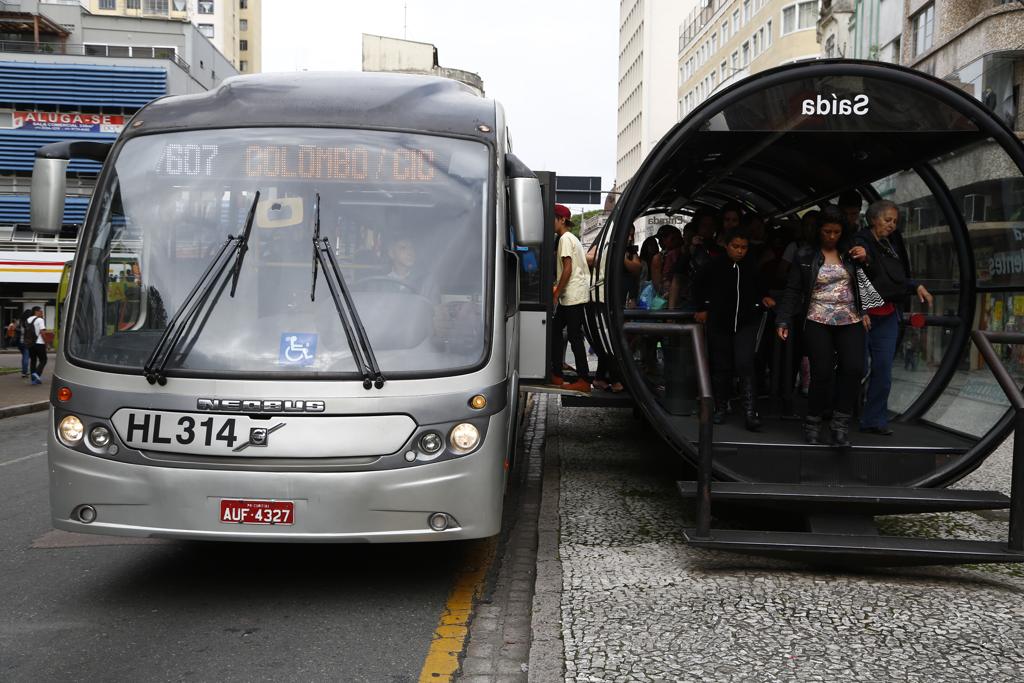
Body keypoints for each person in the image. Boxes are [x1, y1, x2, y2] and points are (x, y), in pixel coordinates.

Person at [776, 207, 868, 446]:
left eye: (836, 232)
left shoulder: (851, 252)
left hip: (851, 317)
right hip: (817, 318)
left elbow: (871, 280)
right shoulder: (805, 255)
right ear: (818, 231)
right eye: (827, 231)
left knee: (854, 368)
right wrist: (783, 318)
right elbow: (793, 289)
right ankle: (813, 422)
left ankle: (840, 425)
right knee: (822, 373)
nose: (831, 236)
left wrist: (866, 259)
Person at [855, 199, 933, 435]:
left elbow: (895, 277)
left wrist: (915, 285)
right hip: (863, 315)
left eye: (895, 222)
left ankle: (874, 420)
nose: (891, 225)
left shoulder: (891, 244)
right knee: (857, 368)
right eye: (887, 220)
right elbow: (854, 278)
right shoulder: (859, 243)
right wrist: (860, 310)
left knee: (883, 371)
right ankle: (841, 414)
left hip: (887, 314)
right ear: (873, 219)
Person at [693, 229, 775, 430]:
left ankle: (750, 411)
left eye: (744, 247)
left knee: (745, 363)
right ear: (726, 245)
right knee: (721, 365)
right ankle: (721, 407)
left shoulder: (751, 267)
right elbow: (698, 285)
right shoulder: (714, 265)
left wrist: (764, 297)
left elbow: (760, 286)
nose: (740, 251)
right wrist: (703, 307)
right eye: (735, 246)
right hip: (719, 322)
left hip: (746, 322)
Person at [550, 204, 592, 393]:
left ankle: (583, 379)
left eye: (553, 218)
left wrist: (557, 292)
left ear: (562, 220)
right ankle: (557, 373)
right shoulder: (569, 238)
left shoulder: (565, 238)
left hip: (572, 295)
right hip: (572, 294)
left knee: (574, 337)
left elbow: (567, 268)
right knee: (557, 331)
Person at [25, 306, 47, 384]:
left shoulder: (28, 320)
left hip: (30, 343)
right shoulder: (40, 320)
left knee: (33, 361)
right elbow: (42, 332)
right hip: (39, 343)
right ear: (36, 311)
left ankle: (33, 380)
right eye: (41, 311)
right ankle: (36, 374)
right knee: (43, 360)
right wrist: (46, 342)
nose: (42, 313)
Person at [17, 308, 31, 378]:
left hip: (20, 342)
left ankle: (24, 371)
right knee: (26, 357)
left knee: (24, 357)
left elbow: (16, 329)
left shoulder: (20, 322)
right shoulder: (29, 322)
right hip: (26, 342)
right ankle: (24, 372)